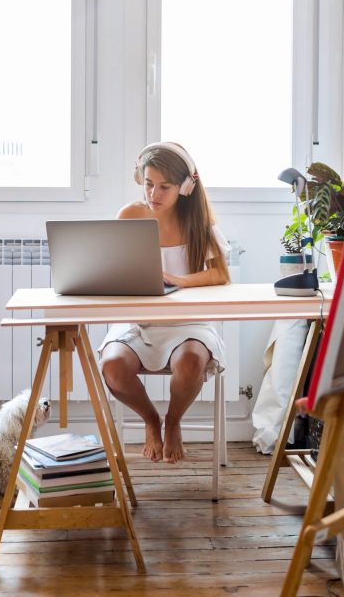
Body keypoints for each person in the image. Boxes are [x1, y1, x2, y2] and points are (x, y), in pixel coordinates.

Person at [98, 142, 231, 464]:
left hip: (188, 324)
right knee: (112, 367)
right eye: (148, 184)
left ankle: (172, 422)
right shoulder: (130, 215)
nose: (153, 194)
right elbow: (115, 267)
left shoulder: (197, 222)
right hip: (138, 322)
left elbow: (220, 274)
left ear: (185, 187)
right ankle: (151, 420)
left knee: (190, 364)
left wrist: (179, 280)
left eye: (164, 187)